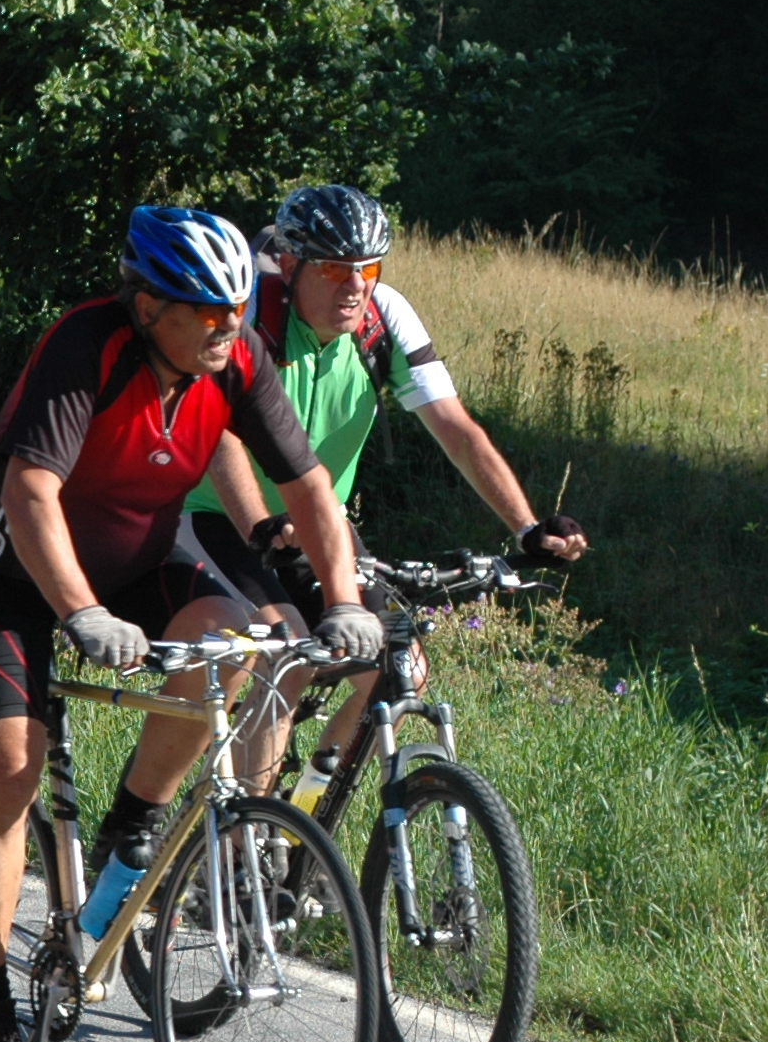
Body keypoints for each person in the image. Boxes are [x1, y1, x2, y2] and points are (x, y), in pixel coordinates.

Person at [0, 205, 384, 1042]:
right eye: (208, 313)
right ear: (148, 306)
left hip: (138, 554)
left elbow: (309, 486)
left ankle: (132, 818)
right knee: (12, 768)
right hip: (11, 567)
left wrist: (342, 600)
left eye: (239, 309)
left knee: (237, 642)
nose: (228, 328)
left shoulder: (236, 358)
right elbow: (30, 493)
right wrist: (79, 613)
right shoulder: (86, 347)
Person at [186, 184, 589, 779]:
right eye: (335, 269)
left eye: (368, 268)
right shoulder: (249, 319)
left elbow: (456, 429)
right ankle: (254, 843)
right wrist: (261, 527)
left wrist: (527, 527)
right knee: (288, 658)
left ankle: (307, 813)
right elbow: (219, 438)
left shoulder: (382, 319)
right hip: (216, 515)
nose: (356, 285)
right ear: (292, 266)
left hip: (318, 519)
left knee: (400, 667)